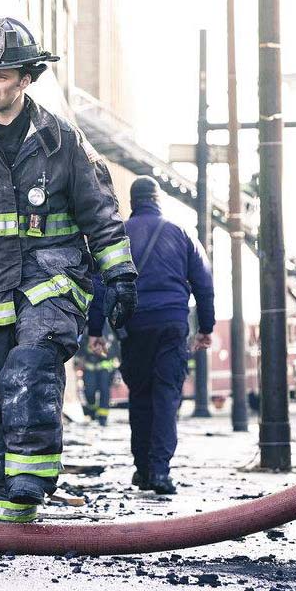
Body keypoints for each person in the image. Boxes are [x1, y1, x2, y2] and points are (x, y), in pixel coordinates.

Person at [0, 18, 137, 523]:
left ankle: (32, 481)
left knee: (30, 367)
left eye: (3, 75)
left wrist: (120, 275)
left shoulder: (62, 142)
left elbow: (100, 214)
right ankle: (4, 518)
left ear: (26, 78)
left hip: (50, 282)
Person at [87, 175, 215, 495]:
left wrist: (95, 330)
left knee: (140, 397)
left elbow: (101, 284)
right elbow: (204, 283)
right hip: (172, 325)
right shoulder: (181, 233)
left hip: (134, 327)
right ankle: (159, 471)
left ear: (133, 201)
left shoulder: (118, 236)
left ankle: (142, 470)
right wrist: (206, 327)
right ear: (158, 199)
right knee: (166, 397)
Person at [77, 325, 118, 426]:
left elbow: (115, 347)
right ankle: (92, 411)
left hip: (106, 368)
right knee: (89, 392)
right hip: (90, 367)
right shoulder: (88, 327)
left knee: (105, 391)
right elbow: (81, 346)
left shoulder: (110, 328)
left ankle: (103, 418)